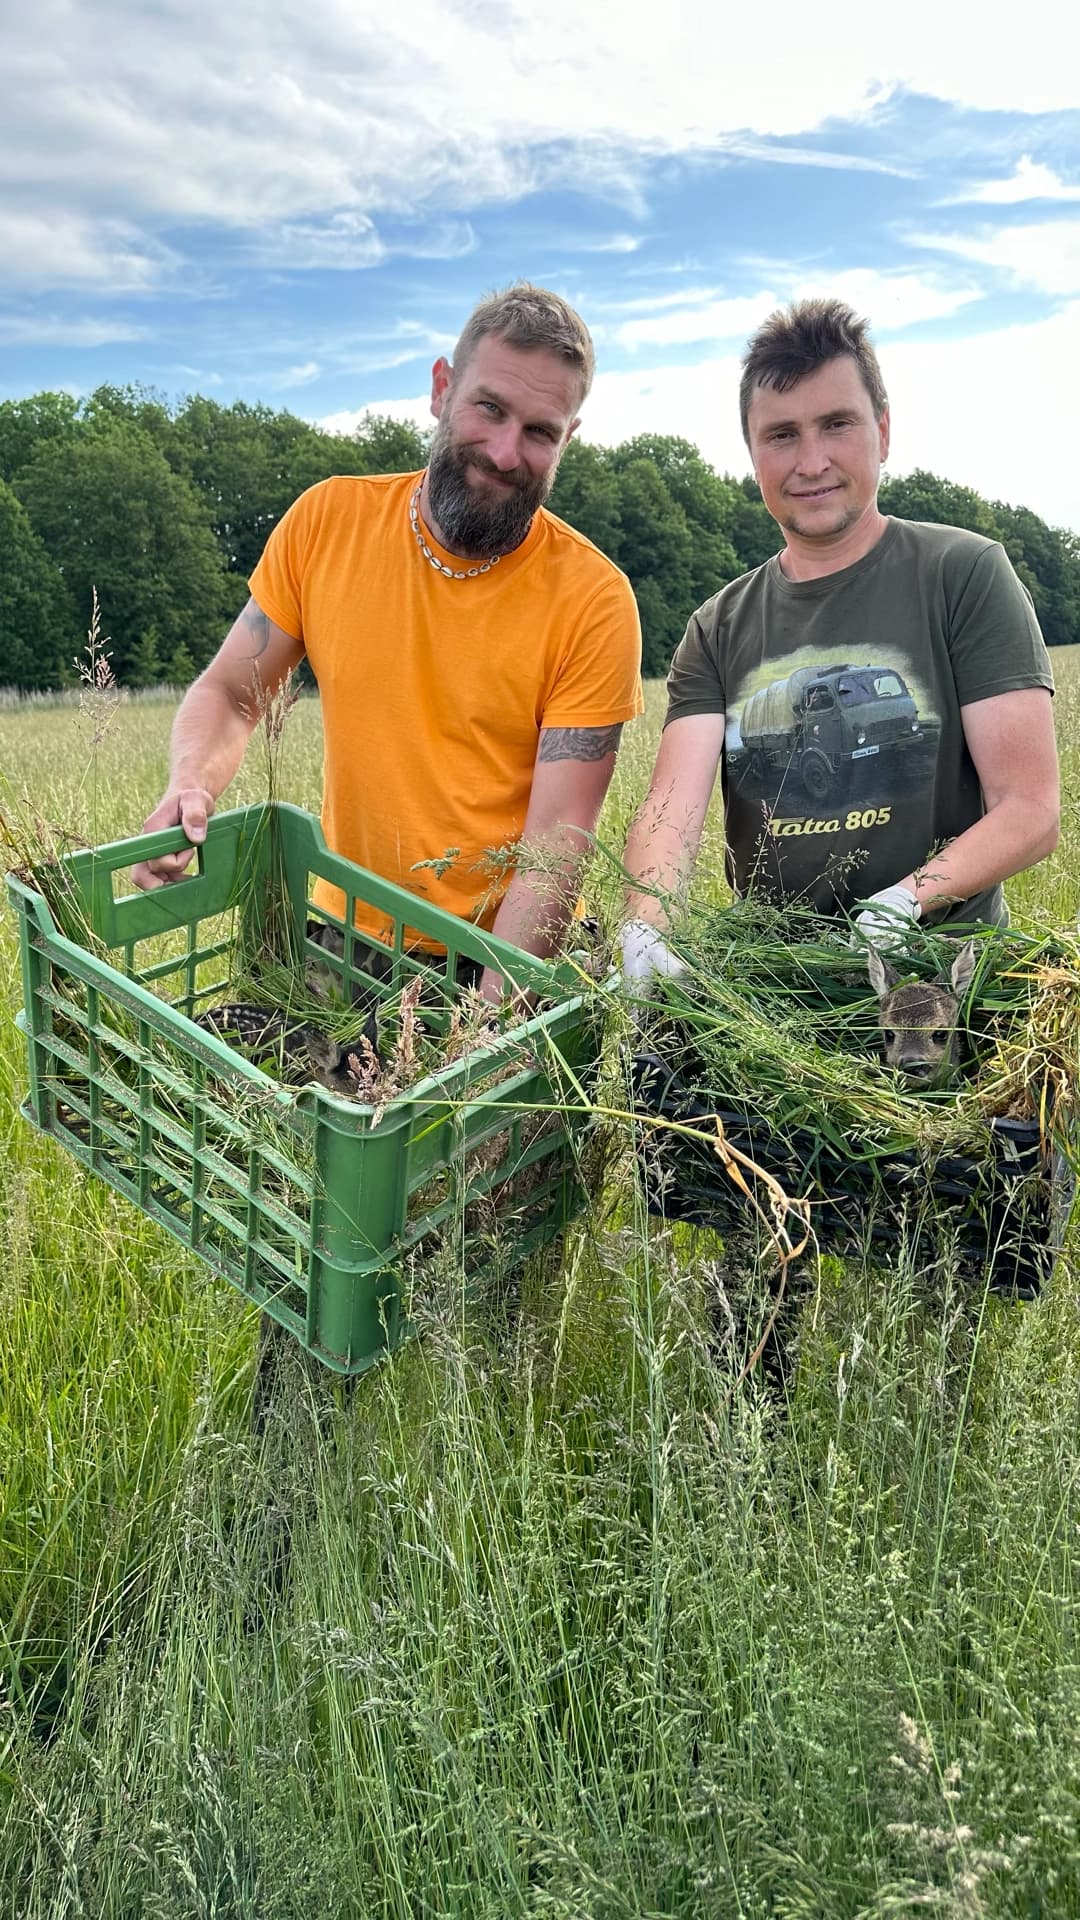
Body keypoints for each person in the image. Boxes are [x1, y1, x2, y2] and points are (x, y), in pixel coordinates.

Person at [133, 282, 644, 1003]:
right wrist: (190, 784)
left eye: (540, 431)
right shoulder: (327, 522)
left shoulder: (593, 599)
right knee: (241, 1098)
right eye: (489, 408)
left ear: (569, 438)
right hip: (348, 934)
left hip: (507, 951)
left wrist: (487, 1030)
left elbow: (555, 852)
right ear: (442, 388)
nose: (504, 452)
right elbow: (230, 692)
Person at [621, 298, 1059, 982]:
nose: (812, 460)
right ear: (753, 453)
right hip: (773, 986)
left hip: (945, 986)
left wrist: (904, 903)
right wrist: (646, 923)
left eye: (837, 424)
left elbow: (1029, 808)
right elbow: (669, 812)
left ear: (883, 431)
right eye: (782, 434)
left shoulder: (963, 573)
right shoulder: (718, 624)